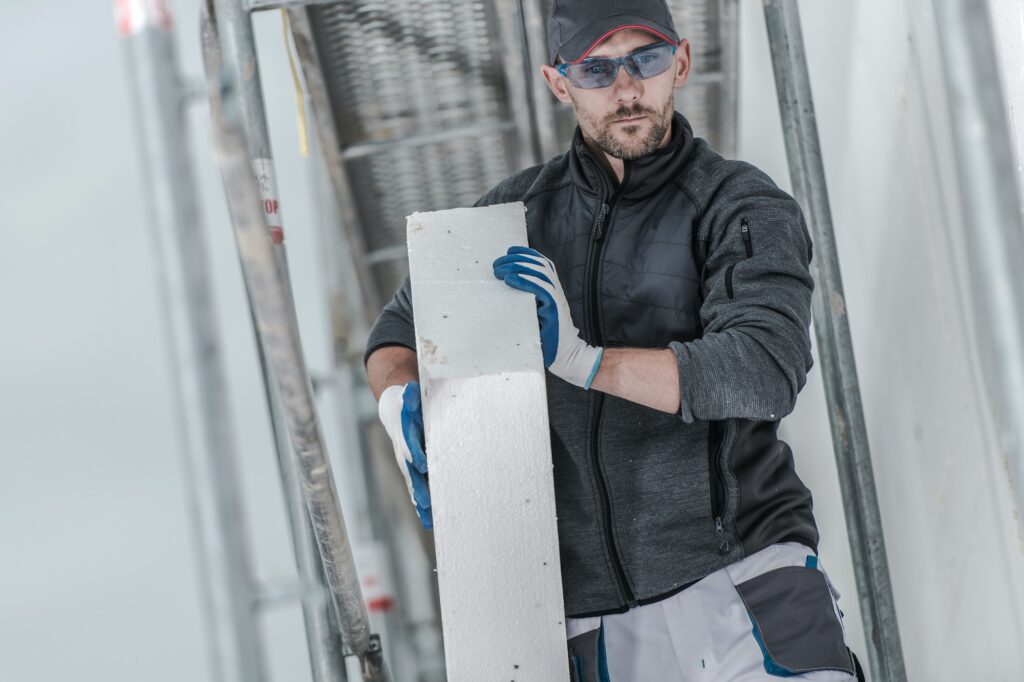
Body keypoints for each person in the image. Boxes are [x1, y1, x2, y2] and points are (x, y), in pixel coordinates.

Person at [366, 1, 864, 679]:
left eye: (645, 59)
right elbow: (396, 334)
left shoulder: (738, 203)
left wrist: (585, 362)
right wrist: (397, 400)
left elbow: (764, 367)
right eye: (597, 69)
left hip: (744, 579)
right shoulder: (510, 216)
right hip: (594, 626)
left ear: (680, 62)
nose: (626, 89)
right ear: (557, 82)